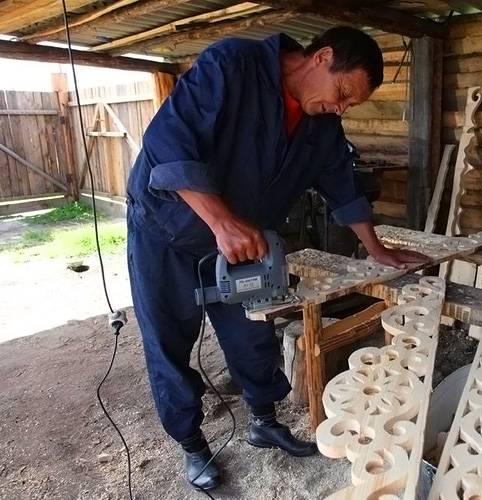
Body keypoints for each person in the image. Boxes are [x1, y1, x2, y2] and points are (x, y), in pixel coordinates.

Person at [125, 26, 429, 490]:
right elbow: (169, 142)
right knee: (168, 340)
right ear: (322, 57)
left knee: (253, 330)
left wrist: (376, 248)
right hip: (165, 230)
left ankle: (264, 422)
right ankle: (192, 443)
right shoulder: (232, 66)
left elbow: (342, 184)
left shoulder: (321, 125)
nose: (341, 108)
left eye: (350, 104)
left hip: (241, 241)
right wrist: (221, 222)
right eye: (343, 93)